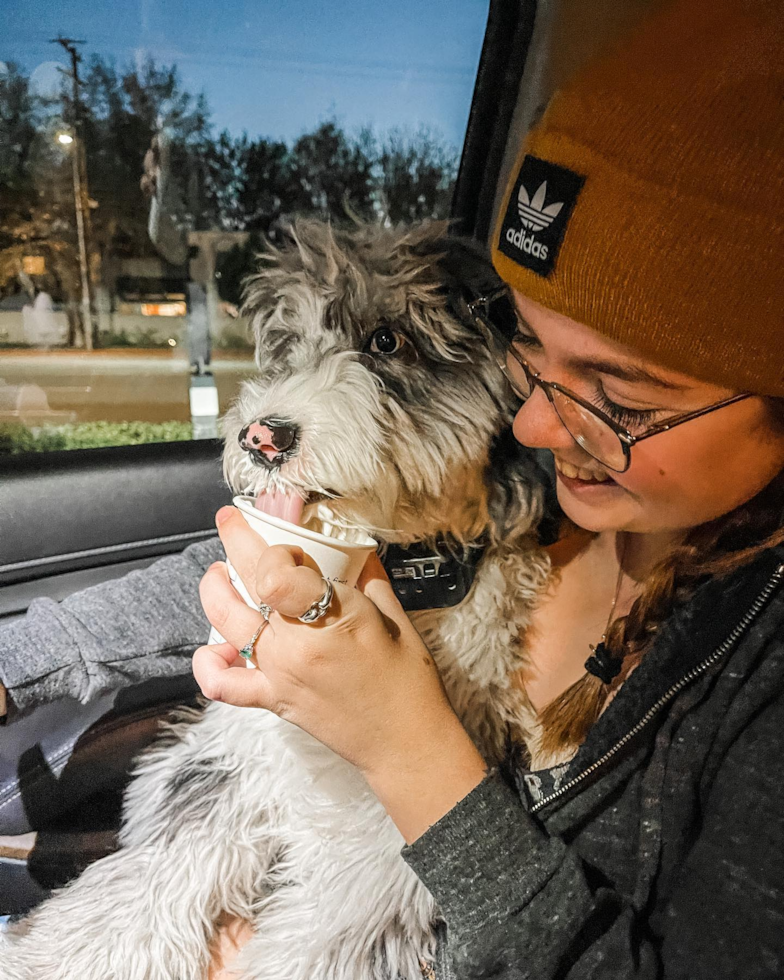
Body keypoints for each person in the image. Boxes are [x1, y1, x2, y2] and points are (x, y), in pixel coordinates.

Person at [190, 0, 784, 977]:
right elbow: (251, 541)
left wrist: (408, 747)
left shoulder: (754, 681)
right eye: (530, 351)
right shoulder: (538, 488)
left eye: (619, 396)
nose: (536, 428)